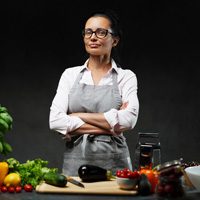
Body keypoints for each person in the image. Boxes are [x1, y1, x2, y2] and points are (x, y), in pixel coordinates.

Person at [49, 9, 139, 176]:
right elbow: (55, 121)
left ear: (115, 40)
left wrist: (76, 117)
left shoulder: (125, 77)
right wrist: (110, 126)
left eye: (101, 32)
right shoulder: (70, 75)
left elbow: (129, 120)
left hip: (116, 166)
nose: (93, 37)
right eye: (88, 32)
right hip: (75, 166)